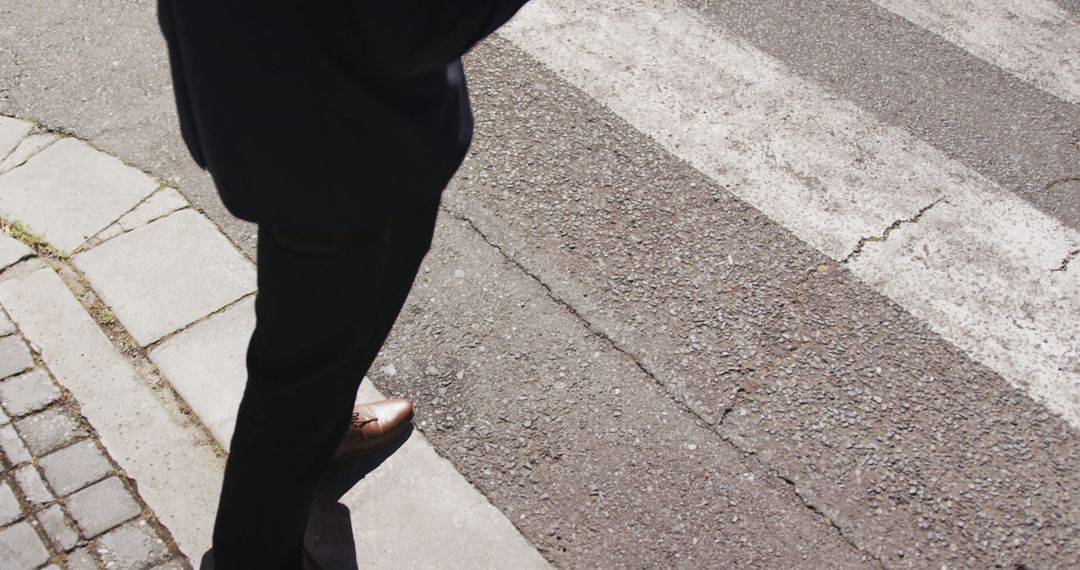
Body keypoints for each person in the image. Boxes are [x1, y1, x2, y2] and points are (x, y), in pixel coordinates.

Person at [157, 2, 531, 568]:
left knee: (311, 345)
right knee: (295, 385)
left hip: (270, 104)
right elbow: (414, 29)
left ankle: (323, 428)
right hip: (347, 147)